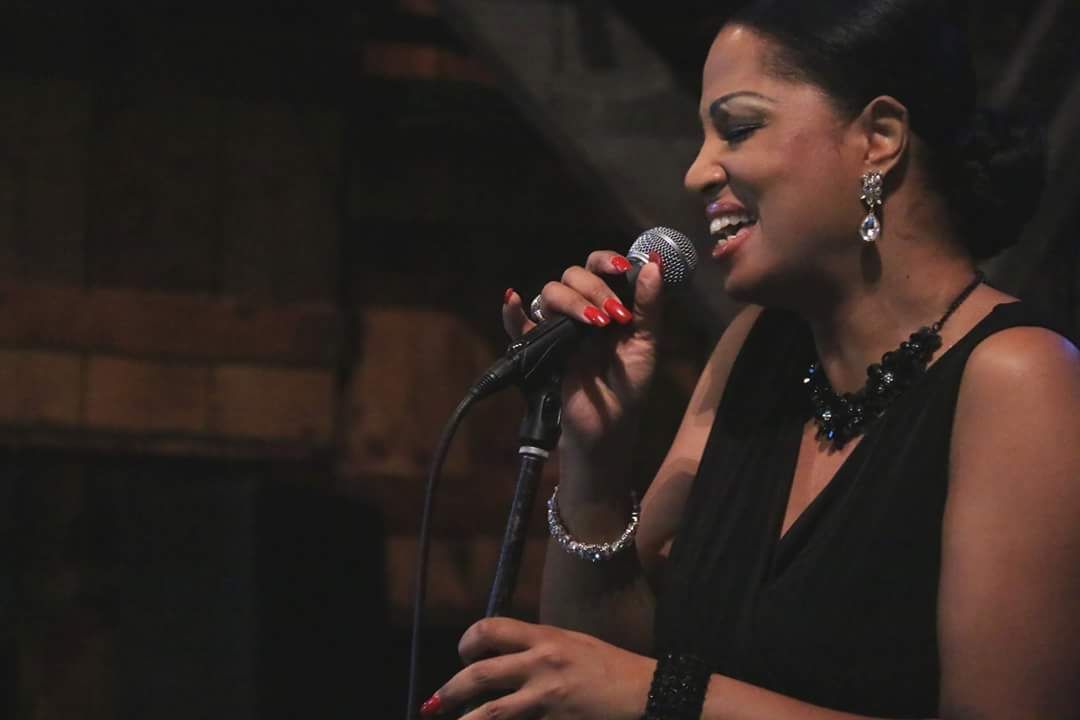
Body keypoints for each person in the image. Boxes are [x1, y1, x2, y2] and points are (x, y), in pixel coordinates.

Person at [421, 0, 1080, 717]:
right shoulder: (754, 350)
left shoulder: (1021, 377)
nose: (697, 172)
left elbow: (630, 687)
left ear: (879, 138)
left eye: (737, 128)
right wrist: (595, 463)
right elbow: (594, 667)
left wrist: (662, 694)